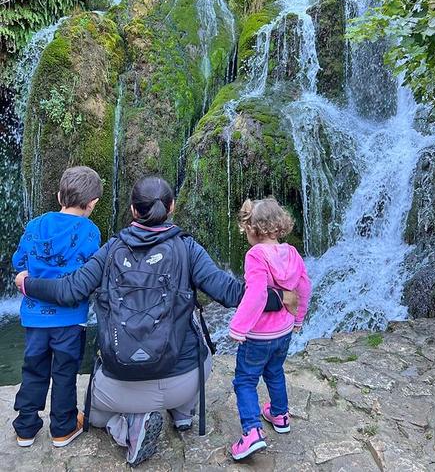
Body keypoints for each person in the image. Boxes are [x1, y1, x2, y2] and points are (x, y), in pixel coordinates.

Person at [15, 176, 295, 467]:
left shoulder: (110, 250)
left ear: (134, 211)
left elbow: (69, 289)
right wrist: (280, 298)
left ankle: (128, 426)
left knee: (94, 415)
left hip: (119, 389)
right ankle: (183, 412)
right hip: (183, 381)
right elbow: (230, 292)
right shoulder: (188, 248)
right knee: (198, 343)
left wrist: (28, 283)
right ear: (171, 207)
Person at [13, 166, 102, 448]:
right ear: (92, 204)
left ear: (58, 196)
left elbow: (19, 262)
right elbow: (93, 271)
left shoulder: (35, 225)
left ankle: (25, 428)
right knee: (65, 371)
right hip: (70, 319)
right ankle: (62, 427)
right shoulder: (90, 231)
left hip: (35, 319)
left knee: (33, 369)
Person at [229, 197, 312, 461]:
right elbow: (304, 288)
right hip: (284, 332)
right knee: (275, 372)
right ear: (279, 226)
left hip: (258, 336)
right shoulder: (293, 253)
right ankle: (280, 415)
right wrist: (299, 318)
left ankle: (252, 432)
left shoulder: (255, 255)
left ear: (253, 229)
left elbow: (256, 295)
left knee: (245, 380)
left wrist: (238, 327)